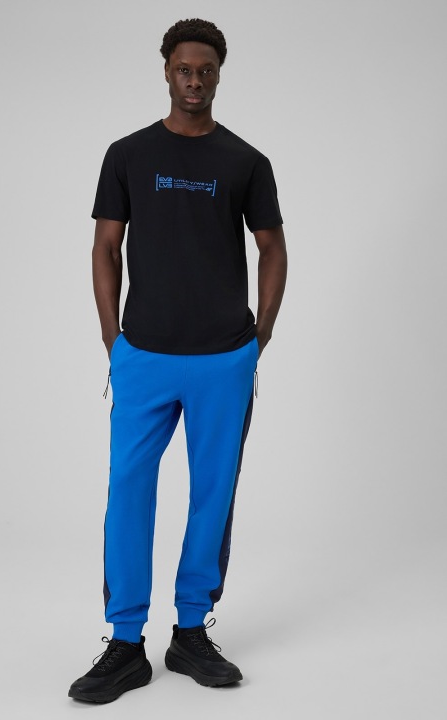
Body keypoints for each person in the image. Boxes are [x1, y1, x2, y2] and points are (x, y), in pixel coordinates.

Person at [68, 18, 287, 704]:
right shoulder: (127, 154)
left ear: (219, 74)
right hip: (144, 356)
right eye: (184, 69)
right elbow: (105, 248)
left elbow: (273, 248)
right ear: (166, 71)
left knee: (212, 495)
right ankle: (125, 643)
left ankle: (190, 633)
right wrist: (113, 339)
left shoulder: (245, 161)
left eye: (206, 70)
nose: (195, 80)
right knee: (128, 491)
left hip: (223, 358)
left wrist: (259, 336)